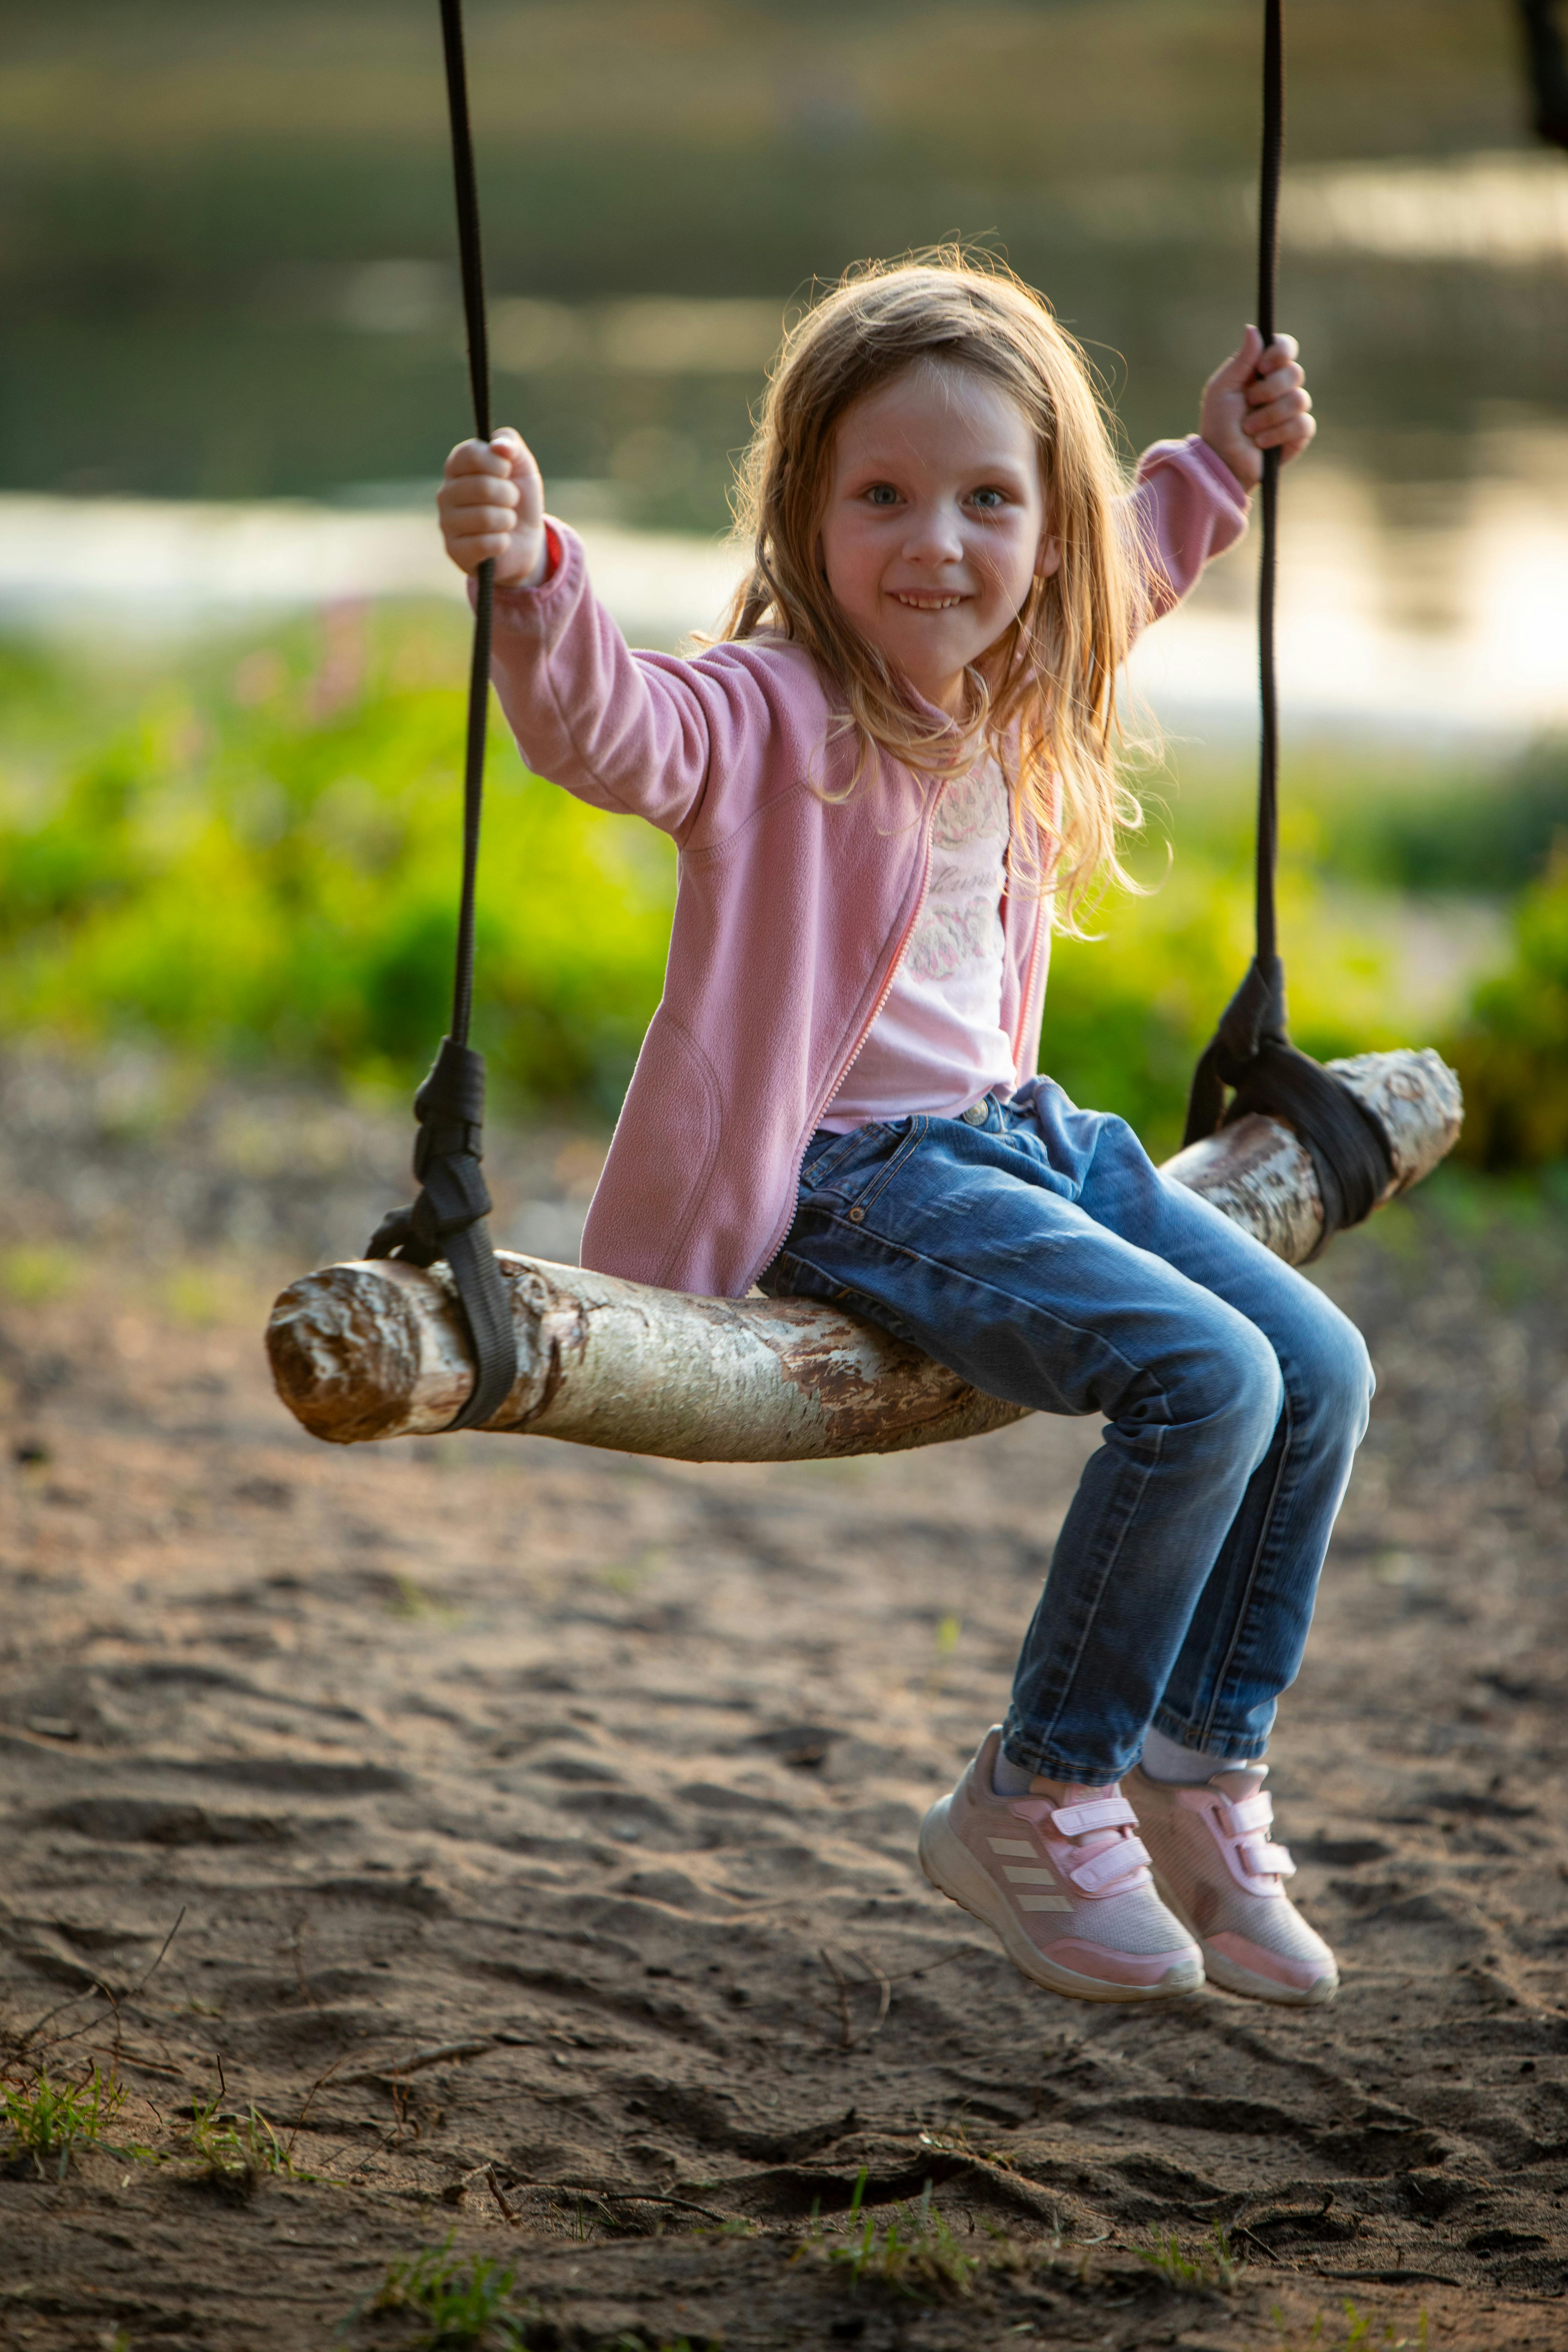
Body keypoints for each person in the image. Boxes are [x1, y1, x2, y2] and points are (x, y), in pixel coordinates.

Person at [436, 253, 1367, 2010]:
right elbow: (599, 728)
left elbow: (1146, 553)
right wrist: (533, 578)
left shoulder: (1024, 673)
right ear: (805, 515)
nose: (936, 541)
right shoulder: (766, 708)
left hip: (1028, 1138)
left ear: (1044, 529)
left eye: (986, 500)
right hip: (862, 1177)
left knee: (1317, 1368)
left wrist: (1221, 463)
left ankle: (1195, 1764)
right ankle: (1036, 1791)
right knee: (1210, 1381)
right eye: (882, 496)